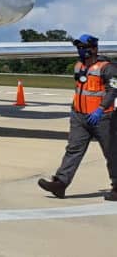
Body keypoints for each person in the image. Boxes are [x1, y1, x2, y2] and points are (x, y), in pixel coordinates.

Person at [38, 33, 117, 199]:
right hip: (80, 117)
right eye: (79, 48)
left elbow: (112, 91)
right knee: (73, 149)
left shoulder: (107, 67)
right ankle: (60, 183)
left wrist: (100, 109)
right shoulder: (78, 66)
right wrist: (75, 110)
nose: (81, 51)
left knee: (111, 152)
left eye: (84, 47)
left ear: (94, 48)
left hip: (102, 118)